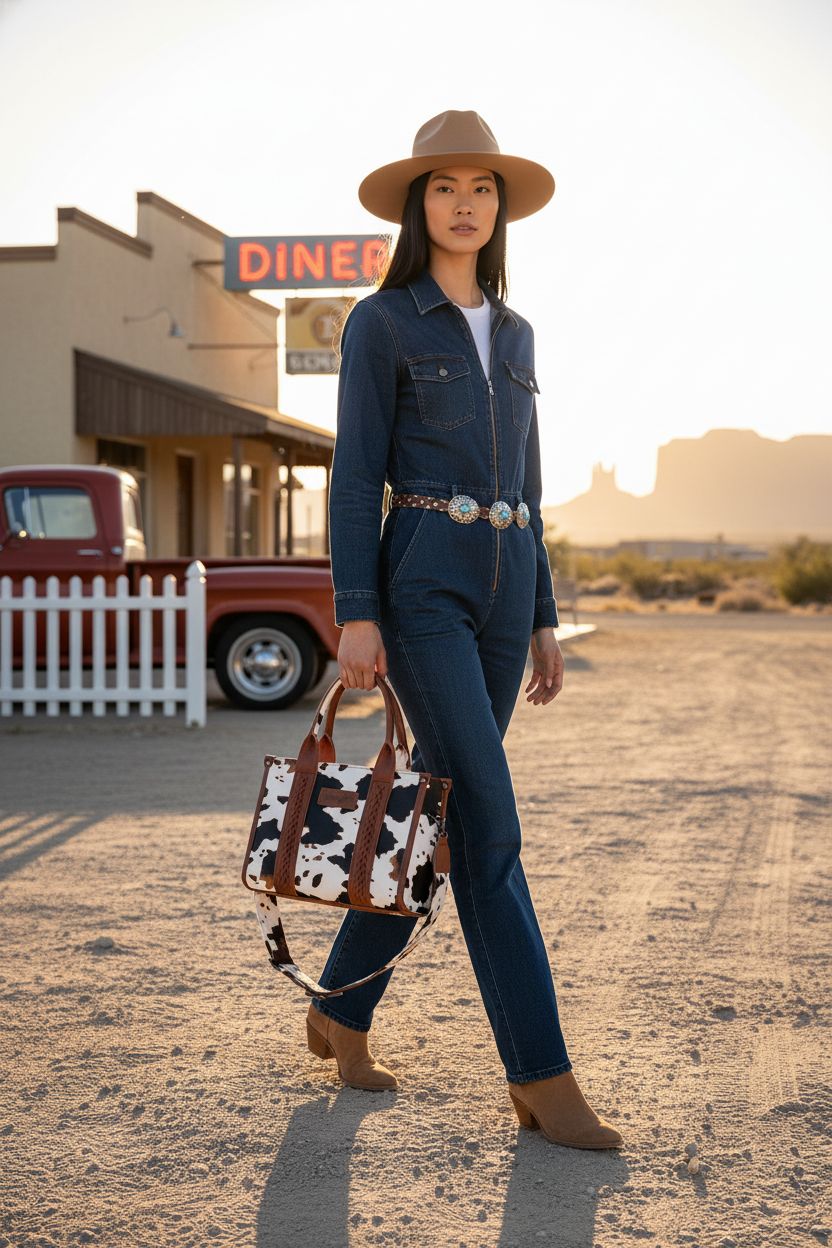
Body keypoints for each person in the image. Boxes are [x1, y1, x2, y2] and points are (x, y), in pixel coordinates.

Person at [307, 110, 622, 1150]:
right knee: (489, 829)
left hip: (505, 589)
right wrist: (357, 612)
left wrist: (540, 612)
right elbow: (357, 477)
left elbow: (529, 478)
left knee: (437, 821)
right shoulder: (382, 322)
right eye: (444, 186)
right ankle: (542, 1076)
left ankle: (339, 1011)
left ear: (498, 207)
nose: (464, 203)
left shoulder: (518, 332)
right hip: (424, 580)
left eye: (481, 187)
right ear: (418, 203)